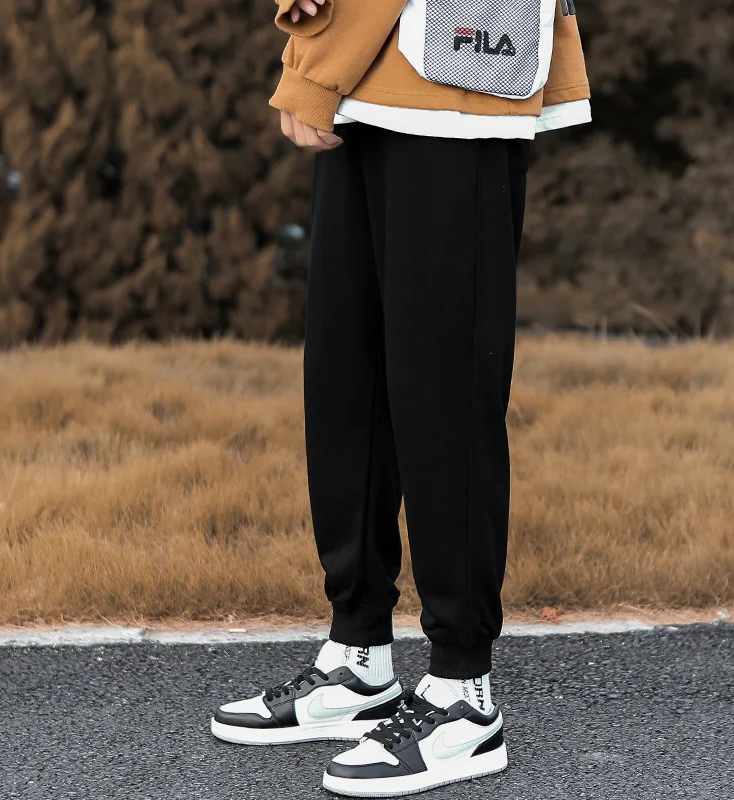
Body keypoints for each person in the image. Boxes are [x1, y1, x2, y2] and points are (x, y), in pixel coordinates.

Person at [212, 0, 590, 795]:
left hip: (457, 81)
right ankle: (359, 656)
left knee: (445, 395)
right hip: (372, 81)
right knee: (348, 380)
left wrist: (312, 70)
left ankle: (463, 693)